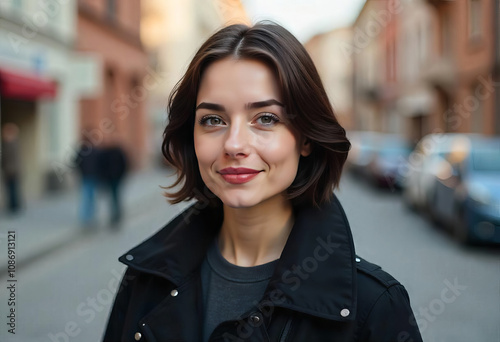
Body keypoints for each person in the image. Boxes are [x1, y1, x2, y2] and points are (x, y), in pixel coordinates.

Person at [103, 22, 423, 342]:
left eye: (266, 119)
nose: (234, 144)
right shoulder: (144, 278)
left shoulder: (375, 306)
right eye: (213, 120)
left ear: (306, 138)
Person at [98, 134, 128, 228]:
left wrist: (122, 175)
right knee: (113, 197)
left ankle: (116, 215)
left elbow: (125, 164)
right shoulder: (105, 152)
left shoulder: (117, 152)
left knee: (115, 196)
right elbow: (101, 166)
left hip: (116, 178)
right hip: (110, 178)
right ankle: (115, 215)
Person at [74, 135, 100, 227]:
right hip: (91, 176)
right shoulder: (94, 151)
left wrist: (81, 171)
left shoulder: (81, 152)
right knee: (90, 197)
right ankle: (89, 216)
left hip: (87, 176)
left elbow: (75, 163)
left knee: (86, 196)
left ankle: (86, 217)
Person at [1, 123, 22, 214]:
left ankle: (14, 207)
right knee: (13, 188)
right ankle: (15, 206)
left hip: (11, 170)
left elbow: (6, 158)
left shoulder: (10, 144)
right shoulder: (14, 143)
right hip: (11, 170)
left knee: (12, 189)